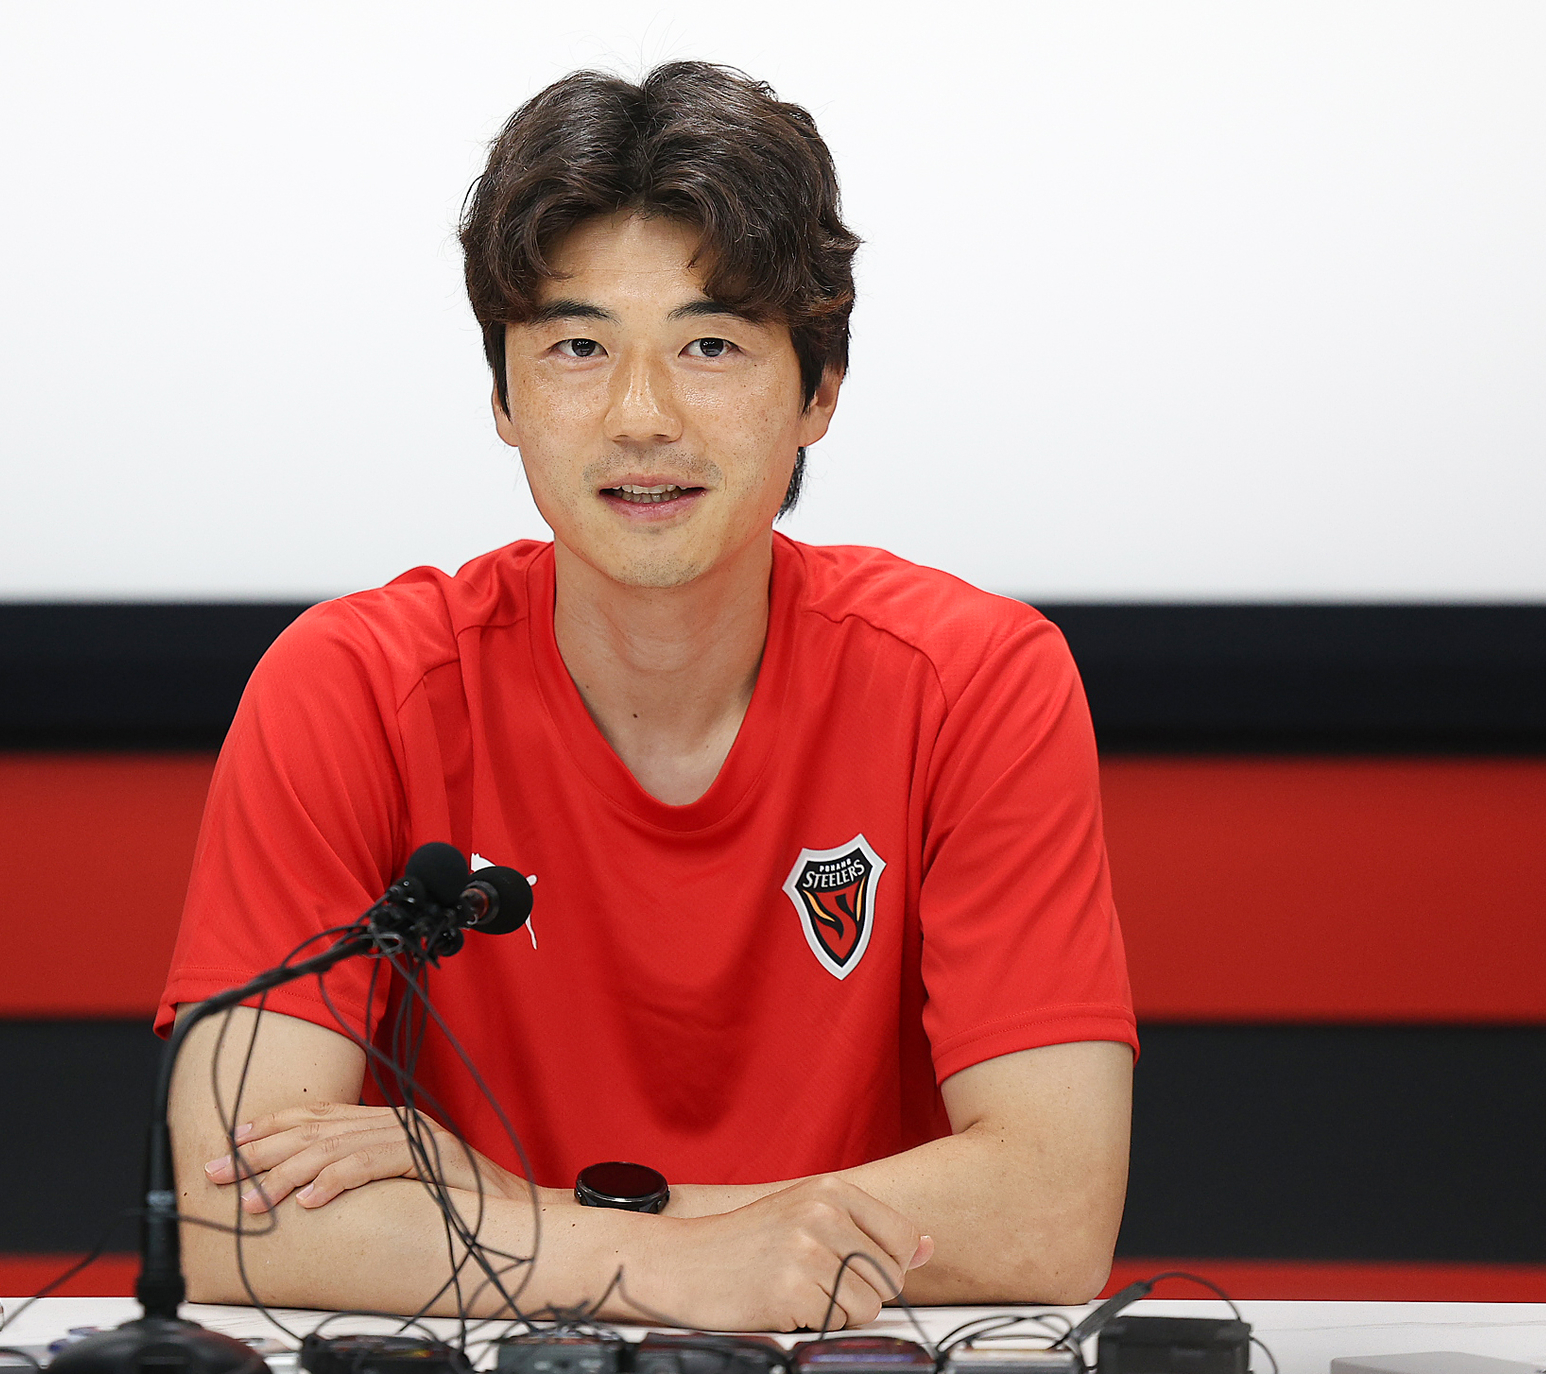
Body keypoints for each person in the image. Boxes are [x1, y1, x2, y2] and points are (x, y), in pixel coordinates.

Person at [158, 61, 1136, 1332]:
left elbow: (1050, 1211)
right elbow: (226, 1205)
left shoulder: (973, 681)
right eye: (575, 347)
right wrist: (671, 1265)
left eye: (711, 346)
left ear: (818, 393)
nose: (639, 416)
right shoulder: (351, 685)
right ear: (503, 398)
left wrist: (520, 1218)